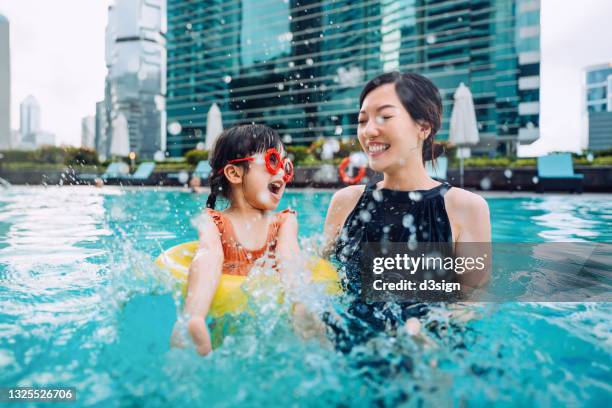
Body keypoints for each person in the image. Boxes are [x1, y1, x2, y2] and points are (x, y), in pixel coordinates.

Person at [322, 71, 491, 352]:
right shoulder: (345, 202)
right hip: (350, 349)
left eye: (384, 117)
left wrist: (427, 327)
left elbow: (475, 302)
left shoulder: (466, 208)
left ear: (423, 126)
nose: (368, 131)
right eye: (362, 120)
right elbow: (318, 277)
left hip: (431, 352)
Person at [171, 124, 298, 356]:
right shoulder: (212, 220)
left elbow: (289, 258)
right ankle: (194, 319)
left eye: (285, 166)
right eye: (272, 161)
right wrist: (196, 316)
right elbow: (209, 255)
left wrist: (300, 306)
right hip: (224, 326)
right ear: (235, 173)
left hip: (272, 326)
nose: (281, 173)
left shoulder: (284, 222)